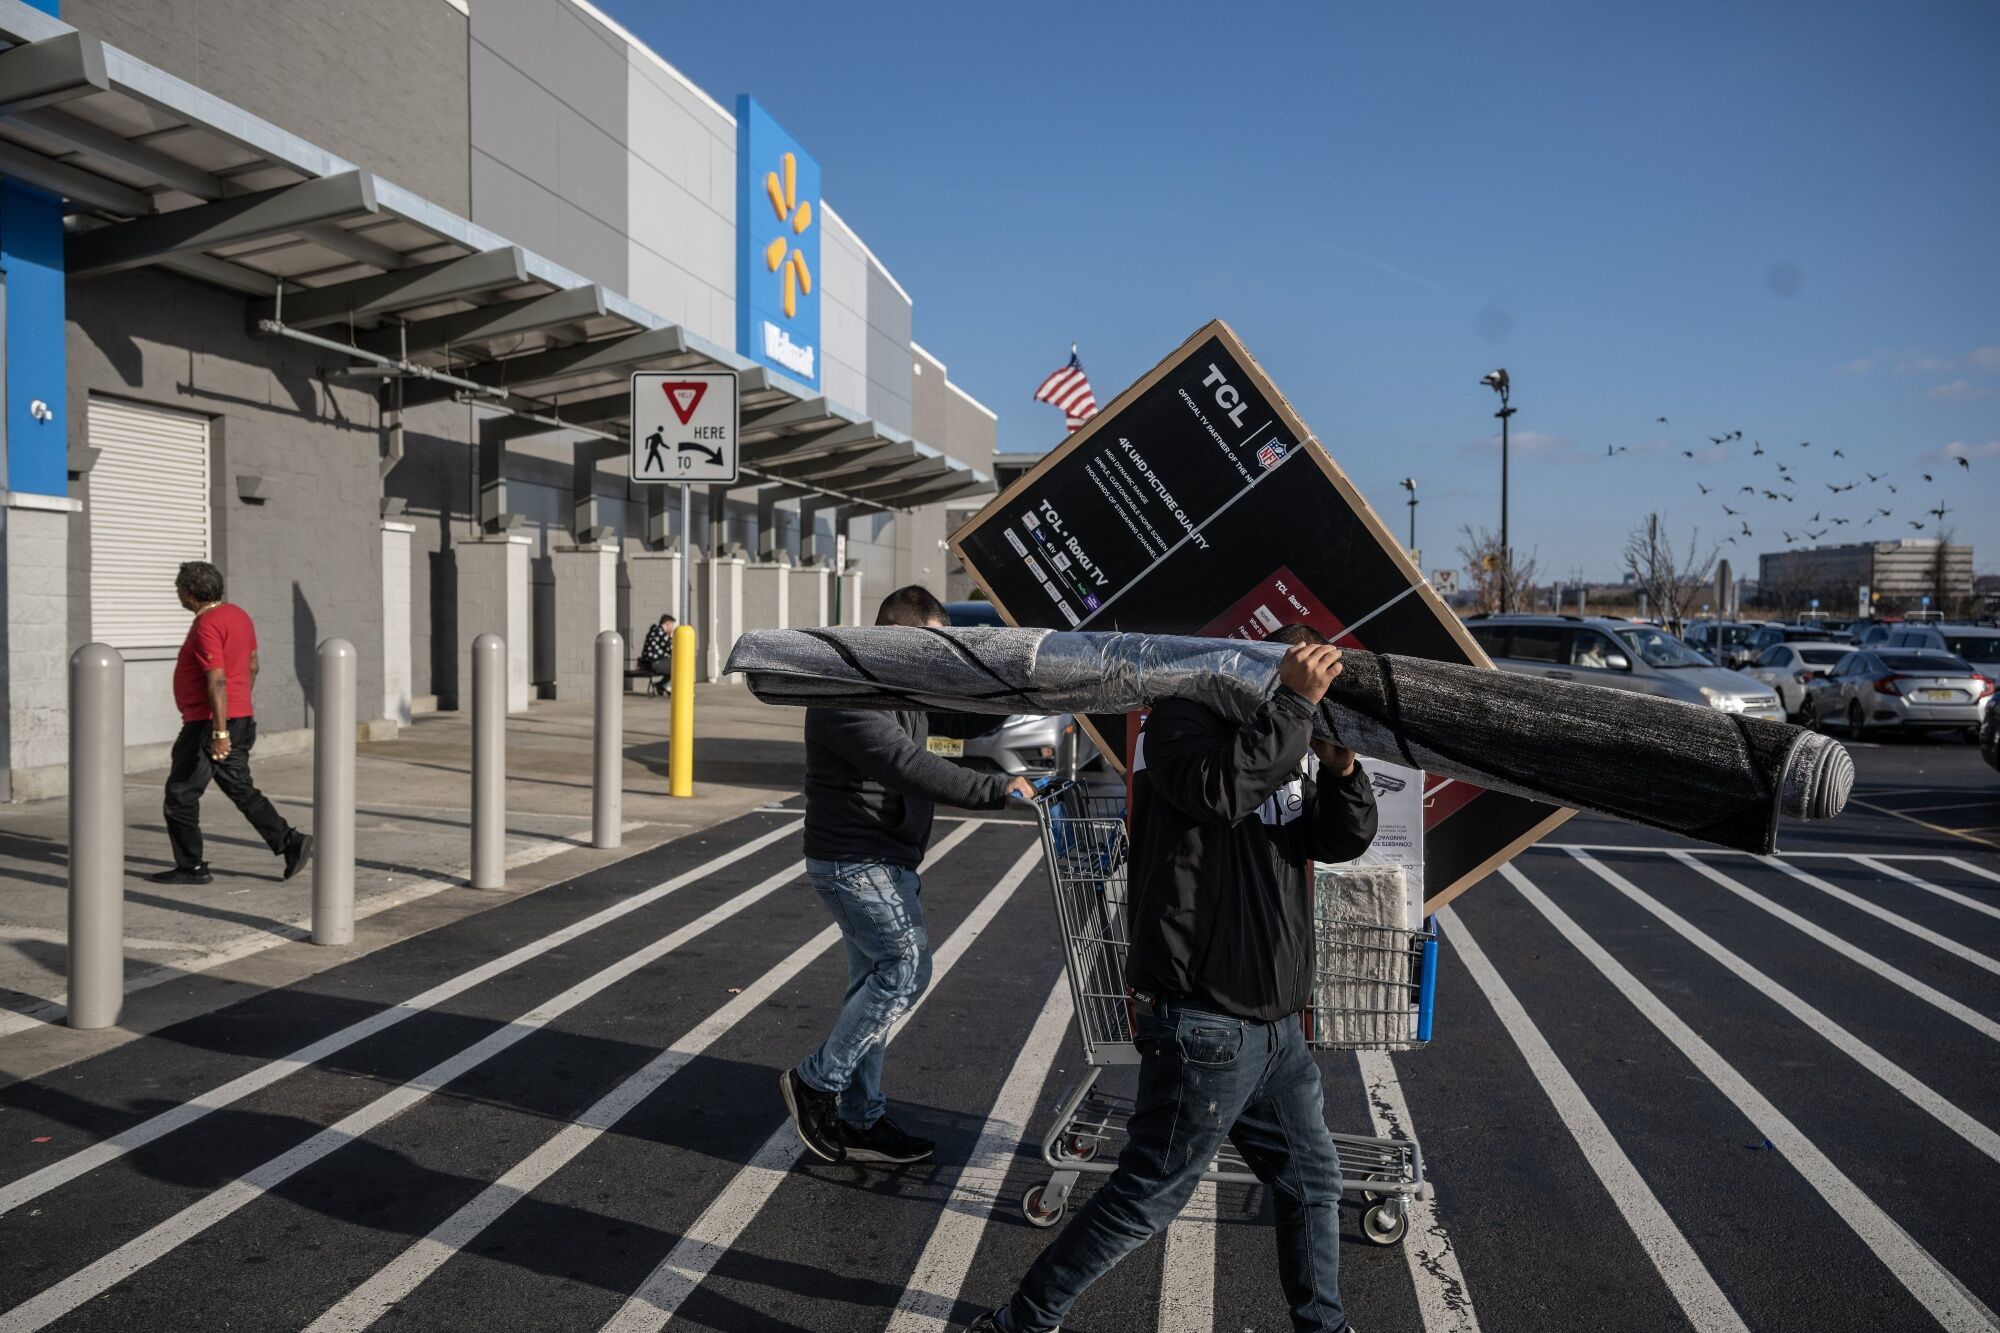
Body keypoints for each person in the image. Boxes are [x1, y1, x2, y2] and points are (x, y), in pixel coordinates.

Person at [970, 625, 1378, 1333]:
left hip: (1275, 1025)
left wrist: (1342, 771)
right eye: (1299, 679)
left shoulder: (1286, 738)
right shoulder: (1179, 718)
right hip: (1205, 1021)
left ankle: (1324, 1325)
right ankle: (1022, 1321)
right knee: (1148, 1194)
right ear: (1257, 671)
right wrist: (1293, 708)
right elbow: (1222, 791)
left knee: (1312, 1179)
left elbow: (1337, 840)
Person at [779, 586, 1036, 1165]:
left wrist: (1031, 691)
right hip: (854, 861)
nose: (936, 660)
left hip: (886, 860)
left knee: (870, 989)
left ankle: (860, 1118)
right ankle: (816, 1083)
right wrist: (996, 788)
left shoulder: (897, 683)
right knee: (905, 971)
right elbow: (907, 763)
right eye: (931, 646)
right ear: (898, 637)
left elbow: (956, 715)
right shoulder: (843, 695)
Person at [154, 561, 313, 887]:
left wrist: (220, 731)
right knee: (239, 787)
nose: (178, 595)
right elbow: (253, 665)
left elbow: (216, 679)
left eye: (178, 589)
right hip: (236, 717)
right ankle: (290, 843)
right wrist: (237, 710)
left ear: (188, 592)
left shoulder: (206, 625)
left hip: (209, 724)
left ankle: (191, 868)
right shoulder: (238, 615)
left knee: (180, 795)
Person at [638, 613, 675, 695]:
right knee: (678, 667)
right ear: (667, 624)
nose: (673, 628)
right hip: (654, 663)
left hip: (656, 662)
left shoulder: (659, 632)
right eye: (672, 625)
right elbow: (669, 648)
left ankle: (661, 686)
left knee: (676, 666)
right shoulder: (659, 633)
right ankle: (665, 686)